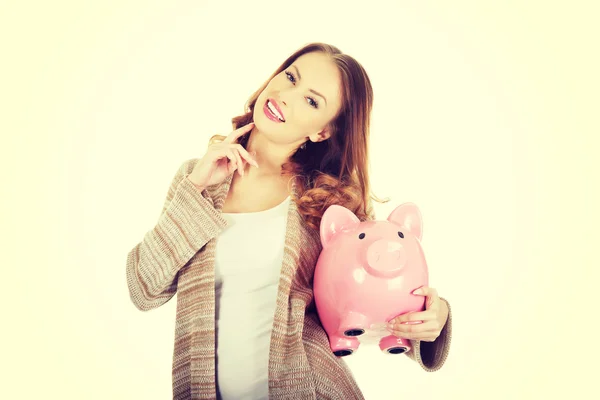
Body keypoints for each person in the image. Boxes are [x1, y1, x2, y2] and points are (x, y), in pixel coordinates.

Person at [126, 42, 452, 400]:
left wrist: (433, 316)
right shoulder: (196, 178)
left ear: (323, 132)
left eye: (311, 101)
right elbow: (144, 290)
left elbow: (376, 300)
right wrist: (197, 187)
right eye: (290, 77)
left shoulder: (330, 201)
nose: (285, 96)